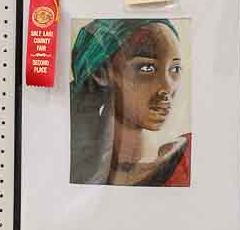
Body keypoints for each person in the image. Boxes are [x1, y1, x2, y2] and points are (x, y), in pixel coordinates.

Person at [68, 19, 191, 187]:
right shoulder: (73, 167)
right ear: (100, 73)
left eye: (175, 69)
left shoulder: (188, 156)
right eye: (147, 68)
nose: (168, 87)